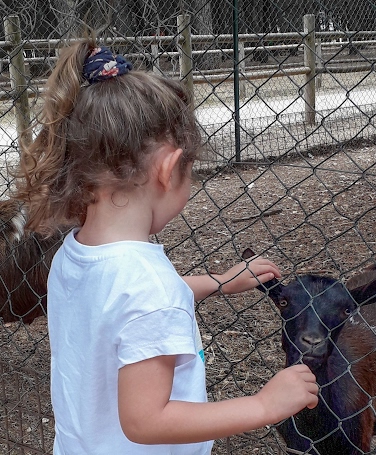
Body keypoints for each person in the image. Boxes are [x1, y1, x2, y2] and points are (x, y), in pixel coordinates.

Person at [12, 39, 318, 454]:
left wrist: (219, 282)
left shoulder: (73, 254)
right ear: (169, 169)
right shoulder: (148, 286)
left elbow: (125, 307)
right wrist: (264, 405)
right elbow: (145, 420)